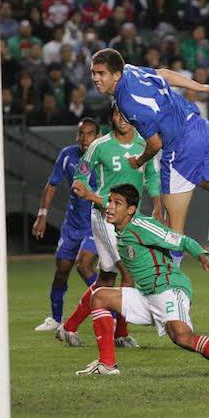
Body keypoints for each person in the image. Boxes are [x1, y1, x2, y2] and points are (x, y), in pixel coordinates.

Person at [90, 49, 209, 303]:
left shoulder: (127, 103)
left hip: (179, 147)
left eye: (101, 73)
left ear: (116, 74)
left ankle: (169, 299)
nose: (95, 78)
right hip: (203, 129)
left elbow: (154, 144)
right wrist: (205, 88)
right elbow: (165, 74)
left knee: (173, 229)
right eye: (93, 73)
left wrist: (139, 161)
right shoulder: (131, 70)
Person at [75, 184, 209, 377]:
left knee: (182, 337)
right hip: (147, 294)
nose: (110, 207)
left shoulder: (142, 226)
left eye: (117, 203)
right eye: (110, 202)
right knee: (99, 297)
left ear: (130, 210)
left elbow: (182, 241)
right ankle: (106, 364)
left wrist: (202, 256)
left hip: (168, 289)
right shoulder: (122, 229)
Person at [58, 103, 163, 348]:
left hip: (131, 218)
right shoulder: (99, 146)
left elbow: (152, 176)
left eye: (126, 113)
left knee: (106, 279)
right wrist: (91, 195)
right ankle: (120, 334)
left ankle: (70, 326)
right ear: (112, 118)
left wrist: (158, 204)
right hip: (105, 217)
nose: (122, 118)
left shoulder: (145, 144)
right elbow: (80, 179)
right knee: (128, 272)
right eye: (117, 113)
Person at [31, 119, 101, 333]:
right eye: (81, 133)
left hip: (95, 223)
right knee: (61, 270)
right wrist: (42, 215)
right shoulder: (68, 155)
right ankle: (55, 318)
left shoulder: (104, 155)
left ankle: (113, 308)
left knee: (84, 264)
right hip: (72, 225)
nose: (84, 138)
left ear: (98, 137)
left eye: (89, 134)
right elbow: (52, 185)